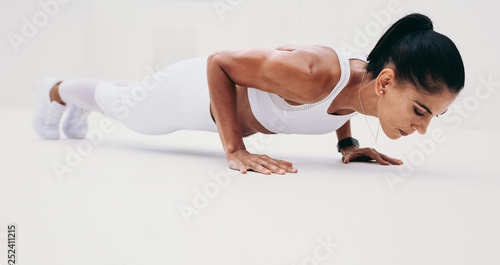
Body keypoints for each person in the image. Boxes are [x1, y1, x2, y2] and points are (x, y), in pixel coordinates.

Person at [32, 13, 465, 176]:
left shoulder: (364, 81)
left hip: (194, 99)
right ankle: (58, 91)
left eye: (433, 118)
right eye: (421, 110)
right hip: (192, 95)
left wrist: (347, 144)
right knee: (128, 111)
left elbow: (342, 102)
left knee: (131, 98)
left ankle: (79, 100)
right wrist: (235, 149)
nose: (422, 128)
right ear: (386, 82)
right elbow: (219, 61)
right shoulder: (313, 73)